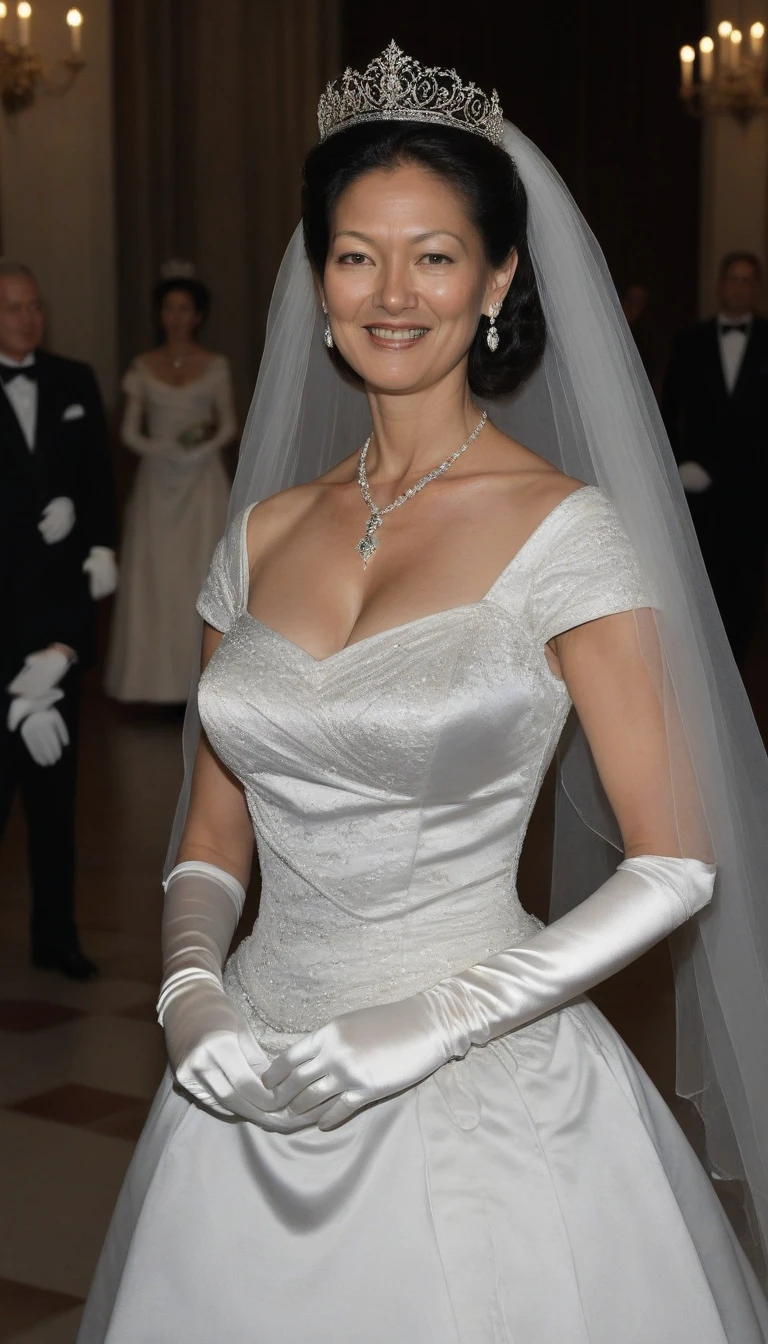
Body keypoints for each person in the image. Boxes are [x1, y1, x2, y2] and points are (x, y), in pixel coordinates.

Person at [80, 46, 768, 1342]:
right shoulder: (264, 531)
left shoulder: (568, 534)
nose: (393, 293)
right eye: (356, 255)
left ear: (500, 277)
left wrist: (434, 1022)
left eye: (435, 256)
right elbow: (215, 833)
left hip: (477, 1071)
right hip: (246, 1075)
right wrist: (188, 990)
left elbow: (677, 861)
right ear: (318, 278)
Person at [0, 260, 117, 981]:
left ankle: (57, 935)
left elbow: (98, 476)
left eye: (34, 307)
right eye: (14, 309)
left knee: (55, 800)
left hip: (57, 613)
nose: (28, 319)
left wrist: (98, 537)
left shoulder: (74, 380)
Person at [105, 269, 236, 704]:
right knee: (157, 575)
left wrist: (198, 452)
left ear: (197, 316)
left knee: (198, 572)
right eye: (168, 308)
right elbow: (128, 431)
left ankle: (201, 683)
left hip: (202, 482)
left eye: (184, 309)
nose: (176, 317)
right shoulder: (143, 366)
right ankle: (152, 683)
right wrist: (159, 448)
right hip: (157, 482)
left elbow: (229, 424)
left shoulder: (214, 364)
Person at [661, 252, 768, 666]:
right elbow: (668, 412)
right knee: (700, 585)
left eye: (747, 280)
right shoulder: (690, 342)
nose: (739, 287)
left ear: (756, 288)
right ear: (720, 285)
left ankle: (736, 673)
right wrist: (680, 464)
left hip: (754, 490)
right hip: (700, 490)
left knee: (746, 588)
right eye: (733, 279)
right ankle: (702, 670)